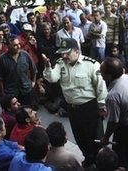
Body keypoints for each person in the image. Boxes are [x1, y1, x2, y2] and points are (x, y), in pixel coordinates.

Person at [43, 38, 107, 167]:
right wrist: (48, 67)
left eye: (67, 53)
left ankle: (100, 161)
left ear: (77, 51)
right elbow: (52, 78)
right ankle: (88, 157)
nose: (64, 56)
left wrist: (101, 105)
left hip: (89, 107)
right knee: (79, 136)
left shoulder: (91, 64)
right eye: (62, 53)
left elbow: (100, 86)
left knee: (94, 137)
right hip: (72, 108)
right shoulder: (61, 63)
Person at [100, 58, 128, 170]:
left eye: (102, 72)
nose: (100, 74)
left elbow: (113, 121)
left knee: (122, 158)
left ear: (109, 75)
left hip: (125, 130)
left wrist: (106, 137)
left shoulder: (113, 96)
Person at [0, 37, 37, 106]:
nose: (18, 46)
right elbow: (0, 78)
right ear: (8, 46)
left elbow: (33, 70)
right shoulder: (2, 59)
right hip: (12, 93)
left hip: (26, 90)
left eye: (19, 44)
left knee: (29, 109)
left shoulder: (25, 55)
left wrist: (33, 82)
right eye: (15, 45)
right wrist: (2, 93)